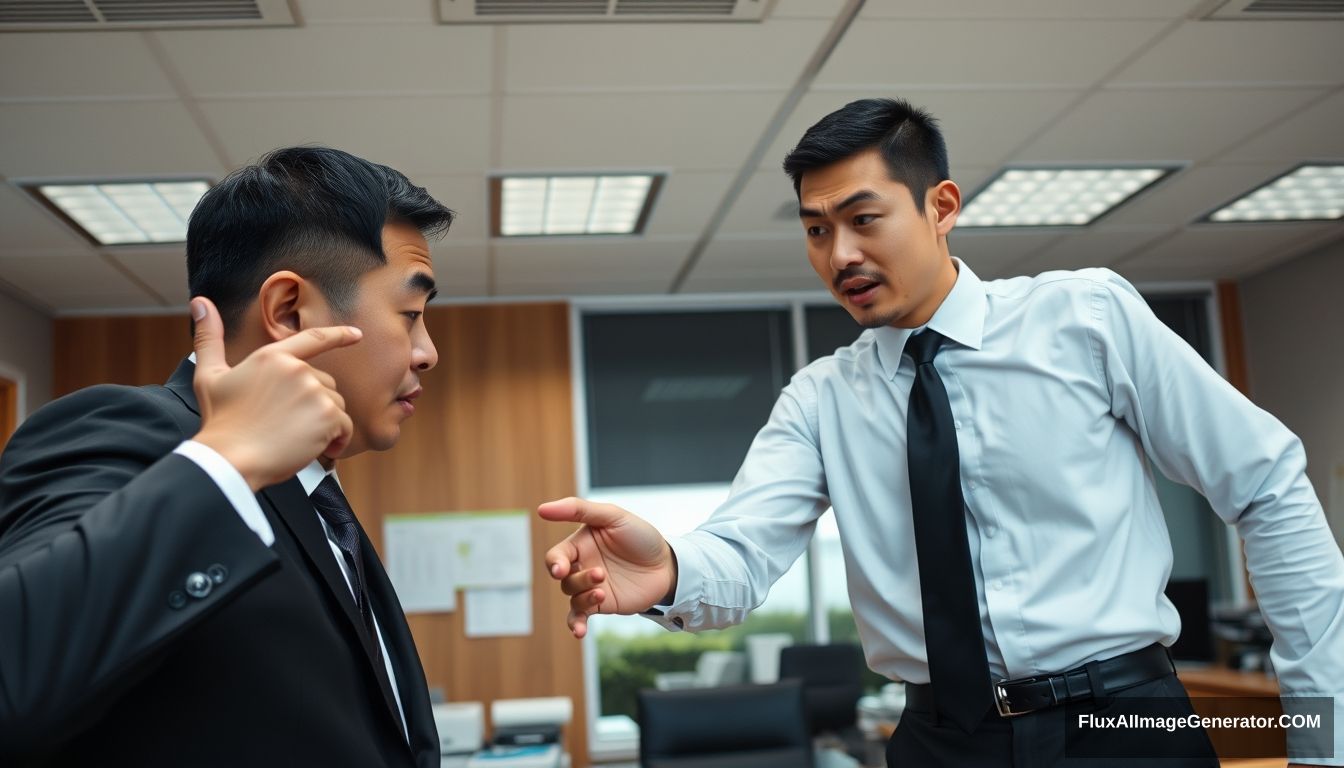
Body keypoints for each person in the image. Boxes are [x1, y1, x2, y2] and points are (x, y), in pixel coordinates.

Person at [539, 99, 1343, 767]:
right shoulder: (823, 398)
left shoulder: (1083, 318)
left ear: (941, 206)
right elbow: (742, 554)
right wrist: (672, 568)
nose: (839, 254)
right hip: (937, 741)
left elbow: (1266, 485)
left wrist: (1322, 739)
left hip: (1123, 724)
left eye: (863, 219)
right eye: (816, 230)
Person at [0, 147, 454, 766]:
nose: (426, 352)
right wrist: (225, 461)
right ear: (289, 311)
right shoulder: (133, 432)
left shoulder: (318, 498)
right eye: (409, 316)